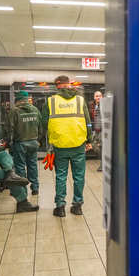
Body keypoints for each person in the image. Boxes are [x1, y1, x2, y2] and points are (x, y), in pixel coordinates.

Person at [41, 75, 92, 217]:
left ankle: (60, 207)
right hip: (78, 144)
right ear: (68, 85)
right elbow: (88, 122)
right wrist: (89, 139)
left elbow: (44, 124)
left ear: (57, 86)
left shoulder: (50, 102)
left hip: (60, 145)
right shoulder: (80, 100)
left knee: (61, 176)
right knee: (79, 176)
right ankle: (77, 206)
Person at [8, 90, 42, 195]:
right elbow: (41, 127)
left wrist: (9, 142)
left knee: (20, 167)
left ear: (17, 100)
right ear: (27, 100)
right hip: (33, 142)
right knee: (33, 165)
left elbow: (9, 128)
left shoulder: (14, 111)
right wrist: (38, 140)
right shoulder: (35, 110)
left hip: (20, 143)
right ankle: (35, 187)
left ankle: (23, 189)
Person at [90, 90, 103, 172]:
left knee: (102, 147)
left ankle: (103, 165)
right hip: (96, 129)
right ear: (94, 97)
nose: (98, 97)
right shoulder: (93, 106)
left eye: (100, 96)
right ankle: (103, 162)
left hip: (103, 129)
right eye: (96, 96)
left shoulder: (104, 105)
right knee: (94, 145)